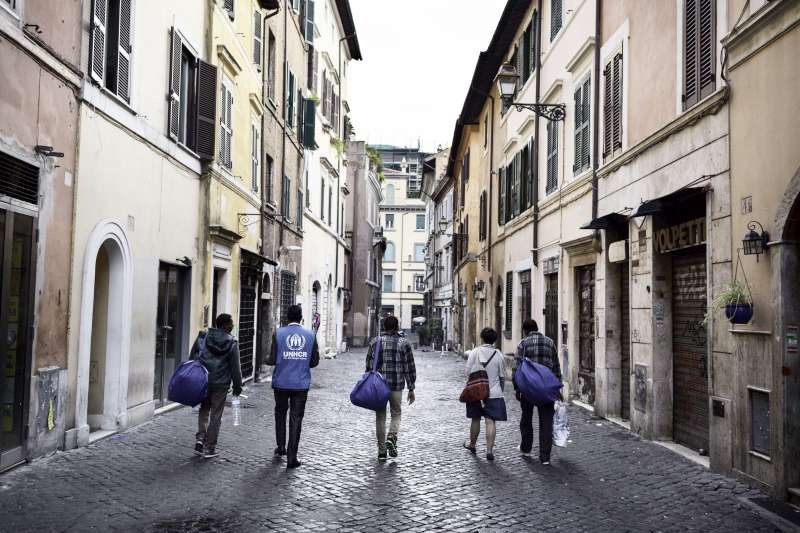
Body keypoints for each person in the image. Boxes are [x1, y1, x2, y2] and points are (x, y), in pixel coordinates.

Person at [267, 305, 319, 469]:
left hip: (281, 382)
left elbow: (272, 359)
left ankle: (281, 446)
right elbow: (314, 361)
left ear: (287, 318)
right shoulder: (311, 335)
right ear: (301, 318)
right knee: (296, 419)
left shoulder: (278, 333)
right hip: (300, 384)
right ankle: (292, 457)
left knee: (280, 413)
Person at [189, 313, 242, 459]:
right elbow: (235, 368)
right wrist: (238, 386)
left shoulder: (204, 336)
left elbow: (192, 355)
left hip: (203, 380)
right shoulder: (232, 343)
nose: (232, 326)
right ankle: (210, 447)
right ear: (225, 325)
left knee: (204, 409)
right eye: (231, 323)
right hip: (221, 383)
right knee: (216, 415)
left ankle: (200, 439)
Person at [366, 315, 416, 461]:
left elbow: (369, 366)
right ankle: (391, 437)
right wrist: (411, 388)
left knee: (380, 417)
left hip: (378, 386)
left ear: (383, 327)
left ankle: (382, 451)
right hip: (396, 385)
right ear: (397, 327)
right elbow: (409, 367)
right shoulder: (404, 343)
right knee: (396, 414)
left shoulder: (375, 342)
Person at [514, 318, 562, 465]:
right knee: (546, 422)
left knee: (526, 419)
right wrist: (558, 388)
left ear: (525, 331)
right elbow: (556, 367)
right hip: (547, 388)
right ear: (537, 328)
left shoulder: (522, 343)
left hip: (528, 388)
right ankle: (545, 457)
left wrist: (517, 389)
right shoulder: (550, 342)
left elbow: (516, 369)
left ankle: (526, 448)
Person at [463, 327, 507, 461]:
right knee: (490, 421)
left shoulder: (475, 352)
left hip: (476, 391)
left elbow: (468, 373)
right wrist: (500, 390)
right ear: (494, 340)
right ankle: (489, 451)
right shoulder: (498, 355)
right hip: (493, 392)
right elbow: (502, 376)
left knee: (475, 419)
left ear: (481, 338)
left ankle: (472, 444)